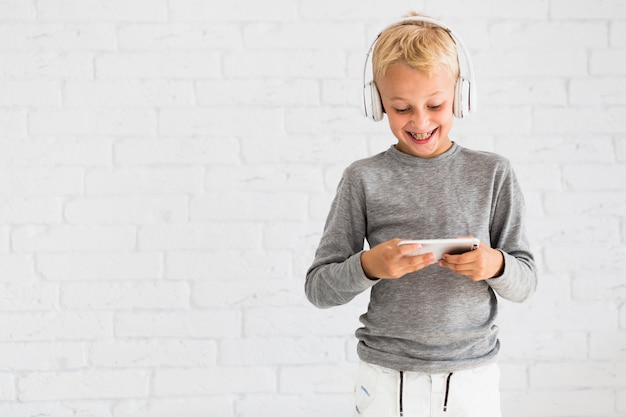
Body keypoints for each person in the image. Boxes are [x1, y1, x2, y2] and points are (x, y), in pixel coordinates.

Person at [305, 12, 538, 417]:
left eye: (435, 104)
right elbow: (319, 289)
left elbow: (526, 282)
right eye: (401, 108)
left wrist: (495, 264)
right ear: (377, 103)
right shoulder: (363, 179)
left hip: (472, 379)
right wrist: (369, 265)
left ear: (461, 96)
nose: (420, 121)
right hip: (386, 377)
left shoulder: (493, 174)